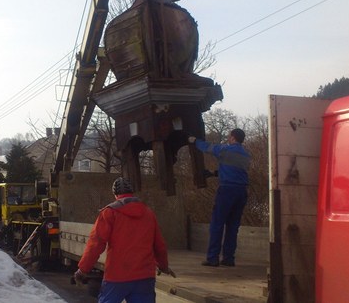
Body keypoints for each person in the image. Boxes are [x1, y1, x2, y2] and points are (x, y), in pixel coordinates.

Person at [74, 177, 175, 303]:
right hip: (144, 276)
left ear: (115, 194)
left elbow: (96, 244)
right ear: (132, 192)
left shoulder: (109, 213)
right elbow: (159, 245)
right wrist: (164, 266)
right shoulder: (148, 213)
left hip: (117, 276)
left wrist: (82, 270)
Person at [188, 128, 250, 267]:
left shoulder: (225, 150)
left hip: (227, 191)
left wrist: (194, 141)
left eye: (229, 136)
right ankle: (228, 258)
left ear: (233, 138)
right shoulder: (246, 155)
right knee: (233, 226)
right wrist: (214, 173)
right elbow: (235, 171)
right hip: (241, 192)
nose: (228, 138)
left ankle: (212, 258)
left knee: (217, 224)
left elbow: (208, 147)